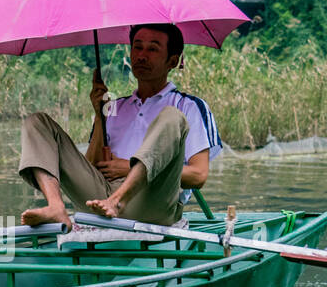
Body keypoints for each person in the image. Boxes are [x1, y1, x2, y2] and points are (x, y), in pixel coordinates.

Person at [18, 23, 221, 228]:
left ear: (173, 60)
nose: (141, 55)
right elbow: (90, 166)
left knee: (171, 117)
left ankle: (118, 200)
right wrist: (100, 116)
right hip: (100, 199)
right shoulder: (114, 106)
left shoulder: (188, 106)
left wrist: (126, 168)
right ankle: (55, 207)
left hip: (152, 203)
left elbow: (198, 176)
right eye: (137, 47)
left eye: (152, 49)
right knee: (37, 122)